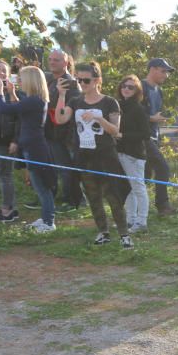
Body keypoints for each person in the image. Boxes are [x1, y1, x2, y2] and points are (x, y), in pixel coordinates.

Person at [56, 62, 132, 248]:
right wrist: (62, 94)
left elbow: (115, 130)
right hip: (84, 157)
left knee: (114, 198)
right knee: (93, 197)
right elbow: (60, 119)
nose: (82, 83)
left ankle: (124, 235)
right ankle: (103, 232)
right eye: (79, 80)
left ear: (97, 80)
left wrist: (98, 118)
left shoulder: (109, 102)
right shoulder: (75, 101)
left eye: (86, 80)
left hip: (106, 157)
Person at [0, 66, 56, 233]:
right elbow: (18, 109)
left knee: (43, 188)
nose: (18, 81)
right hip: (32, 147)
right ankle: (46, 218)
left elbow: (4, 109)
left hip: (35, 149)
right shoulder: (33, 100)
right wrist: (12, 93)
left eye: (21, 78)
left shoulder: (34, 100)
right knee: (39, 187)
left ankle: (49, 222)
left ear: (30, 80)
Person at [44, 49, 83, 212]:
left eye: (57, 60)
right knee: (57, 167)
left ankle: (73, 201)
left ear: (66, 63)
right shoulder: (50, 80)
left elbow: (74, 109)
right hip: (51, 133)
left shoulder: (71, 82)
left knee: (67, 169)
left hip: (66, 134)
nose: (52, 62)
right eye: (51, 59)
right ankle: (64, 198)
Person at [141, 58, 178, 216]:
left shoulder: (159, 90)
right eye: (163, 71)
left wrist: (159, 118)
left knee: (145, 175)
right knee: (163, 168)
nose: (166, 75)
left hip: (154, 136)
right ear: (152, 69)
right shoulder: (139, 87)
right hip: (142, 137)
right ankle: (162, 206)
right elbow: (130, 112)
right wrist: (150, 118)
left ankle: (132, 206)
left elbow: (154, 114)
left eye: (167, 72)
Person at [115, 75, 152, 234]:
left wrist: (122, 135)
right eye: (124, 86)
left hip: (134, 155)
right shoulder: (119, 106)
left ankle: (142, 221)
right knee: (128, 188)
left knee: (138, 188)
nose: (126, 89)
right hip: (121, 153)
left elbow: (145, 134)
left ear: (137, 91)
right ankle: (130, 219)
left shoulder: (138, 108)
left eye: (131, 87)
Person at [0, 60, 20, 222]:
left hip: (5, 141)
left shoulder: (11, 93)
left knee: (4, 174)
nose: (1, 73)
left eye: (4, 71)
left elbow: (20, 119)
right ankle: (8, 206)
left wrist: (15, 140)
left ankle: (7, 210)